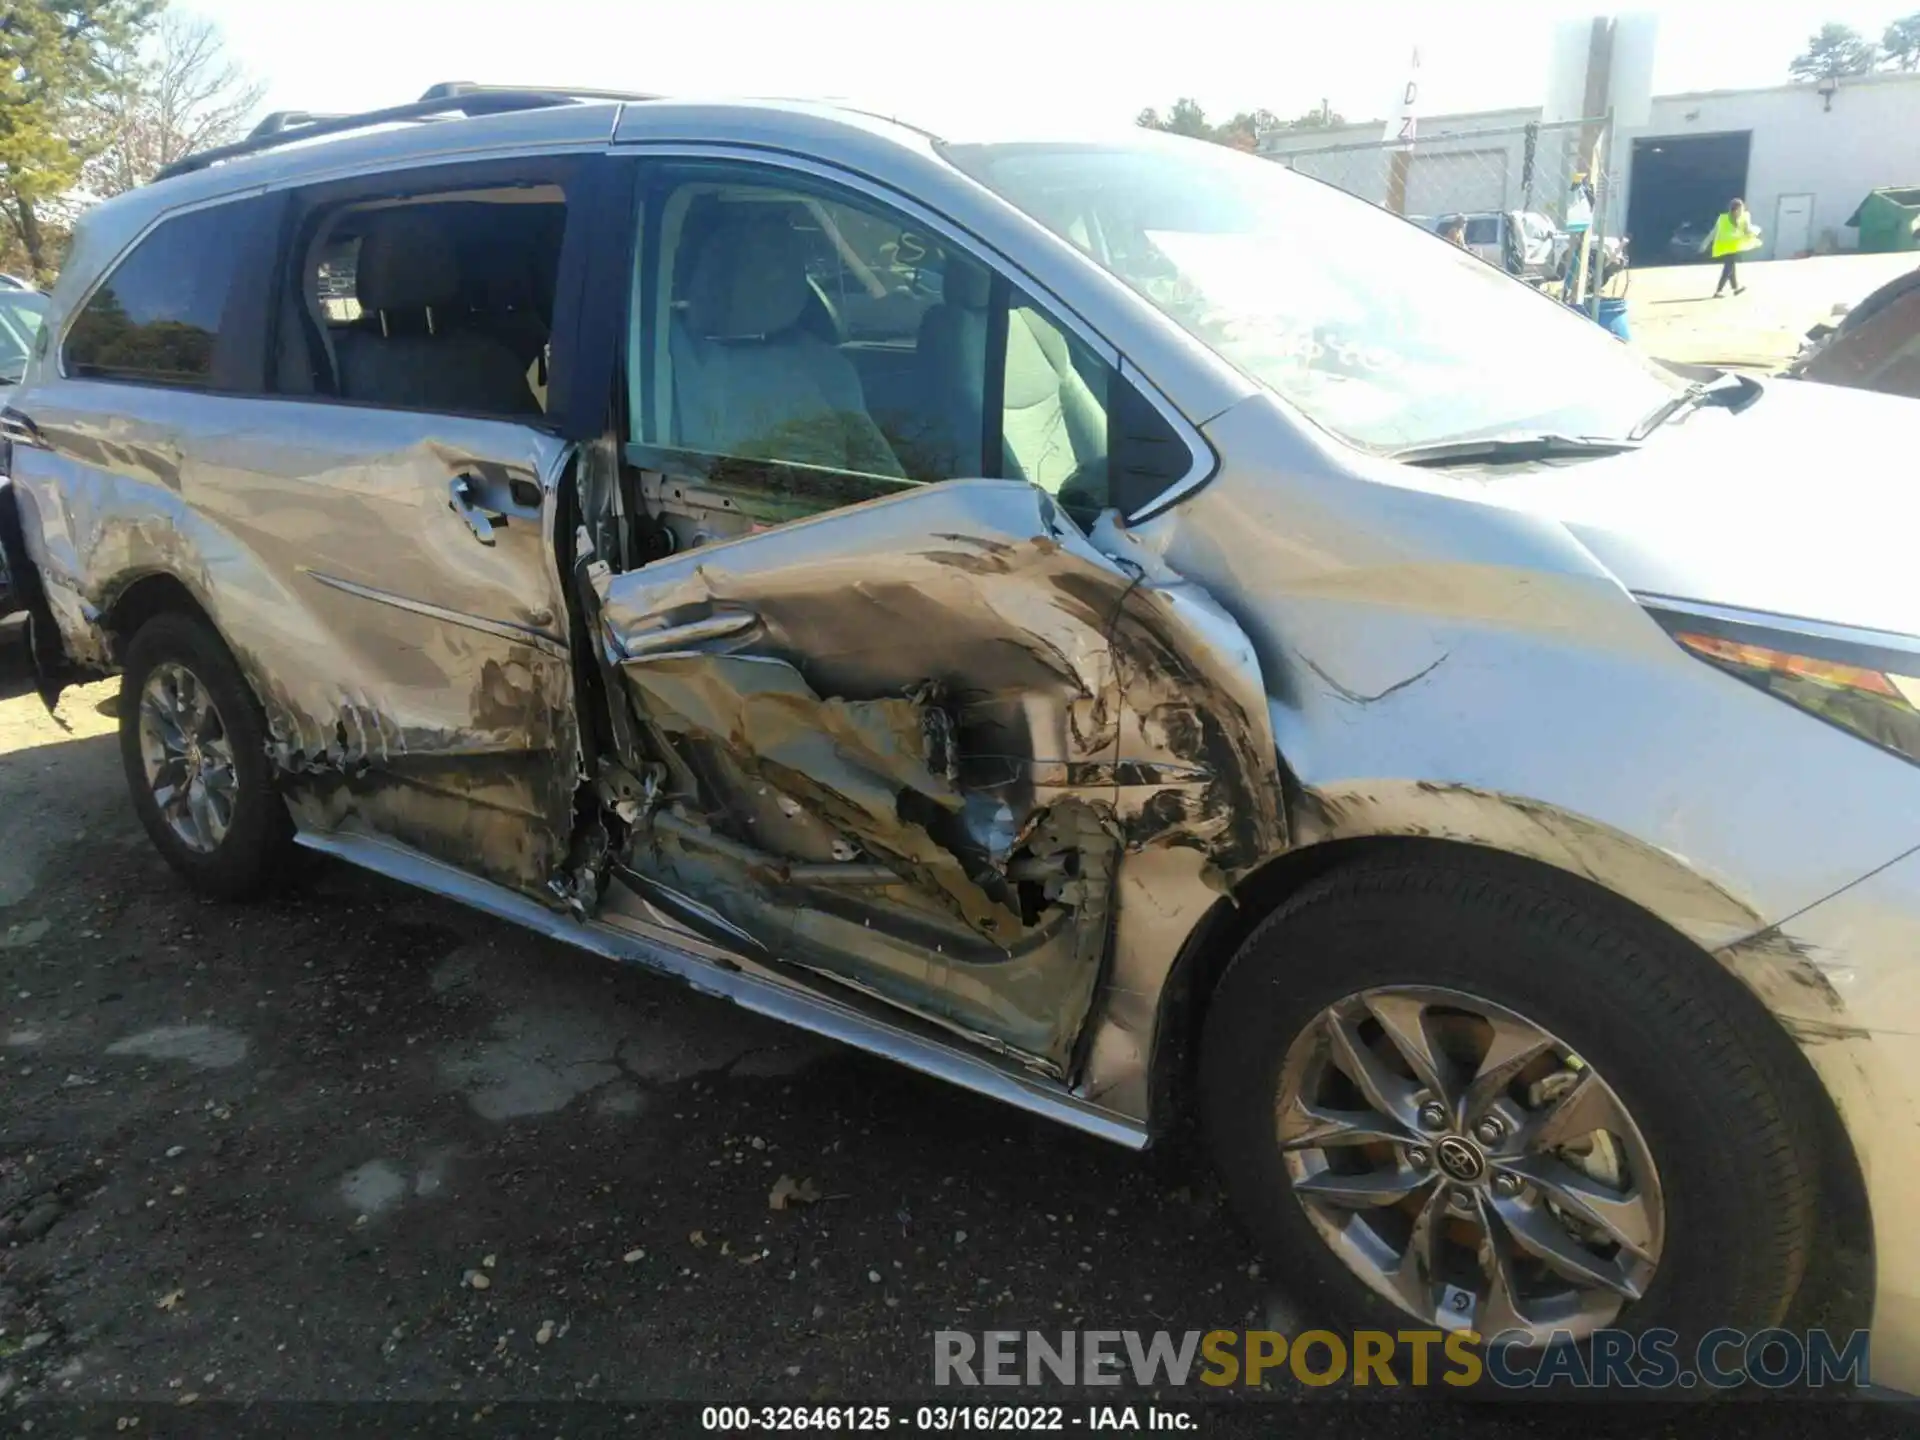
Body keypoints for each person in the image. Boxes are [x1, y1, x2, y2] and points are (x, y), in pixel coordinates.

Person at [1711, 198, 1762, 297]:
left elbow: (1715, 231)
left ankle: (1735, 288)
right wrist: (1756, 231)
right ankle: (1718, 291)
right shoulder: (1740, 218)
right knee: (1728, 268)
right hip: (1729, 246)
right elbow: (1747, 231)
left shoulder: (1726, 218)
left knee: (1731, 267)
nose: (1743, 210)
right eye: (1742, 208)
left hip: (1727, 246)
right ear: (1737, 209)